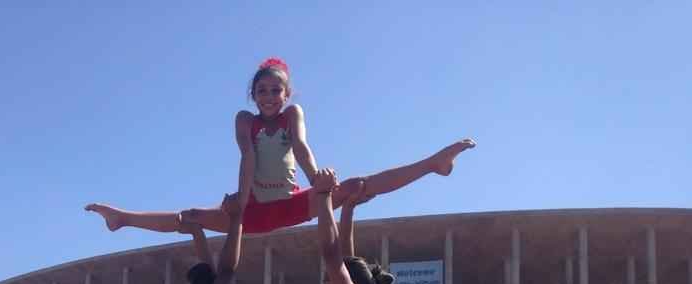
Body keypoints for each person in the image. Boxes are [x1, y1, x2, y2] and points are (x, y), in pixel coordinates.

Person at [87, 58, 473, 237]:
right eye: (262, 91)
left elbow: (302, 147)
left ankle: (433, 164)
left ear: (286, 94)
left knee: (358, 184)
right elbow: (247, 155)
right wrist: (241, 197)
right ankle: (123, 218)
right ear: (252, 95)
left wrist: (318, 182)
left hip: (292, 204)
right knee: (187, 216)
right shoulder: (244, 120)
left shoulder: (292, 115)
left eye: (276, 91)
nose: (269, 96)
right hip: (253, 211)